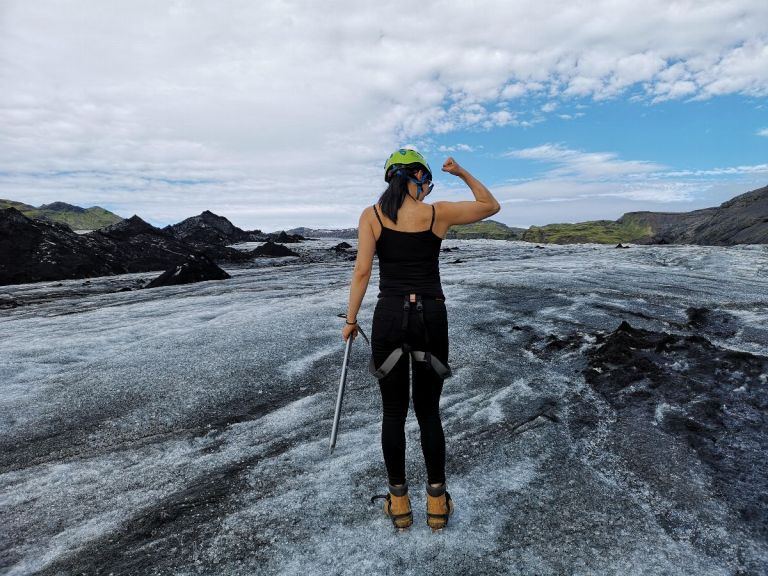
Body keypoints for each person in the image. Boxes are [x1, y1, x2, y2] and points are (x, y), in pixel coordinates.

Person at [342, 148, 500, 531]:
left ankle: (398, 505)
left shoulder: (372, 216)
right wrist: (460, 171)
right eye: (427, 180)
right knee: (428, 412)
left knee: (393, 413)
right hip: (431, 315)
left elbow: (363, 272)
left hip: (390, 316)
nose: (429, 188)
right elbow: (490, 205)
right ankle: (437, 505)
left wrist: (350, 320)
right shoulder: (438, 214)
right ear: (414, 176)